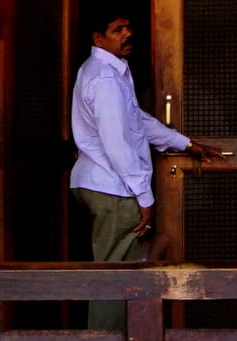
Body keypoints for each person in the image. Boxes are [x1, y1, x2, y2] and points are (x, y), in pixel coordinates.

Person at [68, 14, 219, 261]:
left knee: (126, 264)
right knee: (114, 277)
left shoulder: (106, 72)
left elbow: (137, 121)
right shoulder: (106, 79)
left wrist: (186, 144)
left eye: (128, 27)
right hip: (112, 186)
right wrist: (144, 196)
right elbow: (117, 144)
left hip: (100, 183)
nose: (127, 33)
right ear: (98, 39)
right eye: (117, 30)